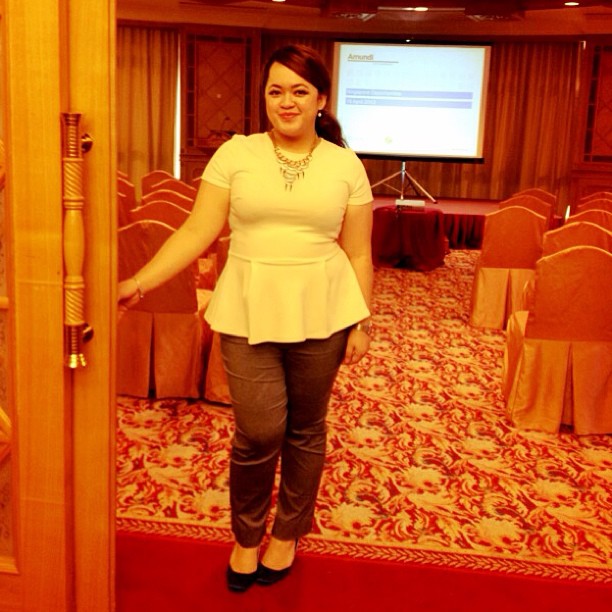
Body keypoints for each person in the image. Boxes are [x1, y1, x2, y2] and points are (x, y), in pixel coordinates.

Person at [118, 44, 373, 592]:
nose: (287, 102)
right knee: (258, 430)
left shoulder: (345, 164)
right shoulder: (236, 154)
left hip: (325, 308)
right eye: (276, 90)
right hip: (248, 305)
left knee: (305, 429)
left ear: (321, 99)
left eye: (300, 91)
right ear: (263, 97)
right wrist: (140, 280)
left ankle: (288, 532)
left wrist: (362, 321)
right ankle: (246, 532)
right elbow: (196, 230)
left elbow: (357, 253)